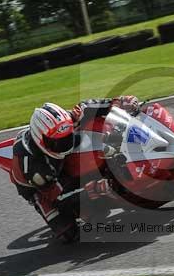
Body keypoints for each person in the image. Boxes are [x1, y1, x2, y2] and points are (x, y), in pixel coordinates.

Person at [10, 95, 143, 242]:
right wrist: (94, 189)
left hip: (58, 162)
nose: (65, 145)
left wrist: (120, 102)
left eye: (67, 138)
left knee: (93, 140)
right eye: (59, 142)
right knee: (69, 233)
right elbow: (58, 197)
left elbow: (88, 106)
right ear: (42, 140)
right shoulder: (36, 170)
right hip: (39, 187)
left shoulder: (65, 123)